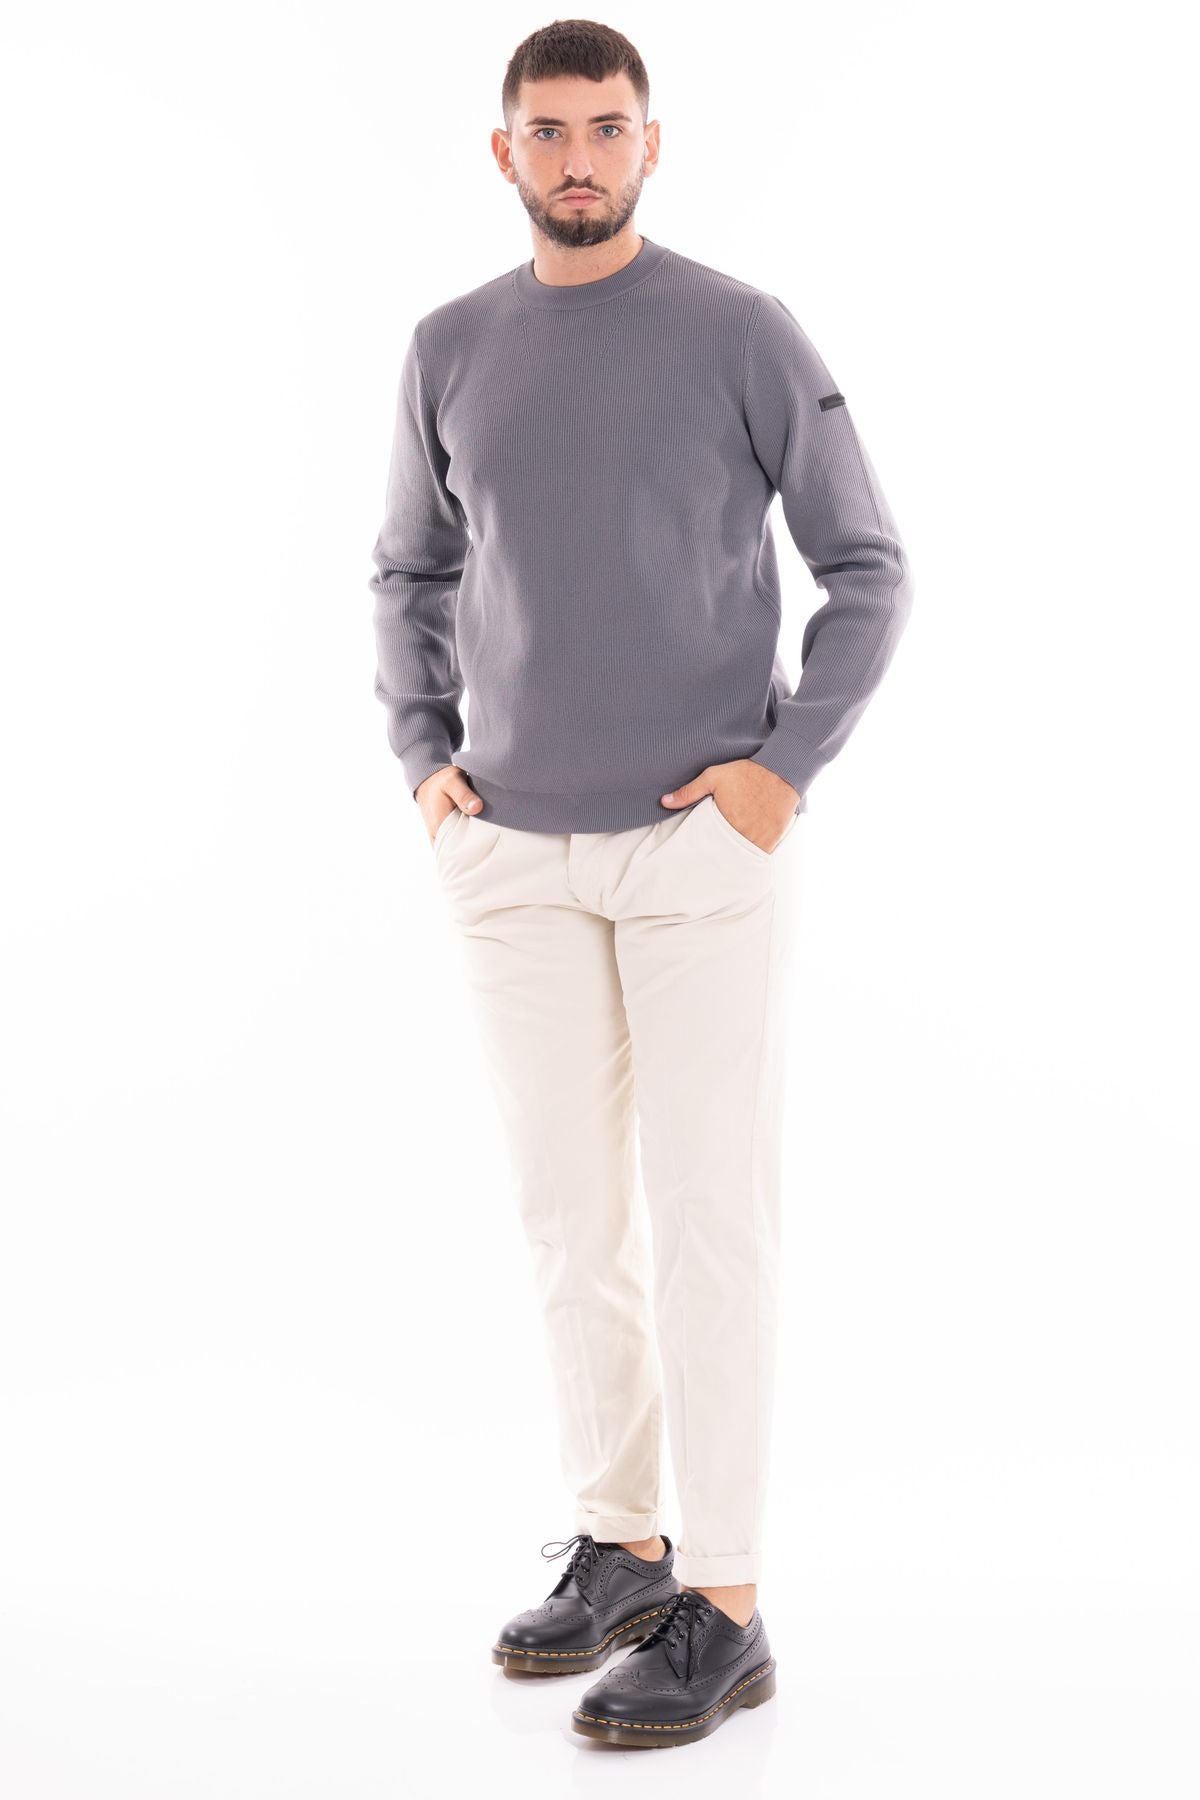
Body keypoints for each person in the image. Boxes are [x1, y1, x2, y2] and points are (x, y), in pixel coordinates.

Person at [368, 19, 913, 1750]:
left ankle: (728, 1606)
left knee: (707, 1219)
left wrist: (780, 770)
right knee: (567, 1218)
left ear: (652, 144)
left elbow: (867, 566)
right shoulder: (451, 346)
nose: (579, 156)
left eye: (607, 127)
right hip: (511, 851)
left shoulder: (741, 331)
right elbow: (408, 573)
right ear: (505, 153)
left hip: (700, 848)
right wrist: (425, 756)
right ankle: (623, 1544)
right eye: (549, 131)